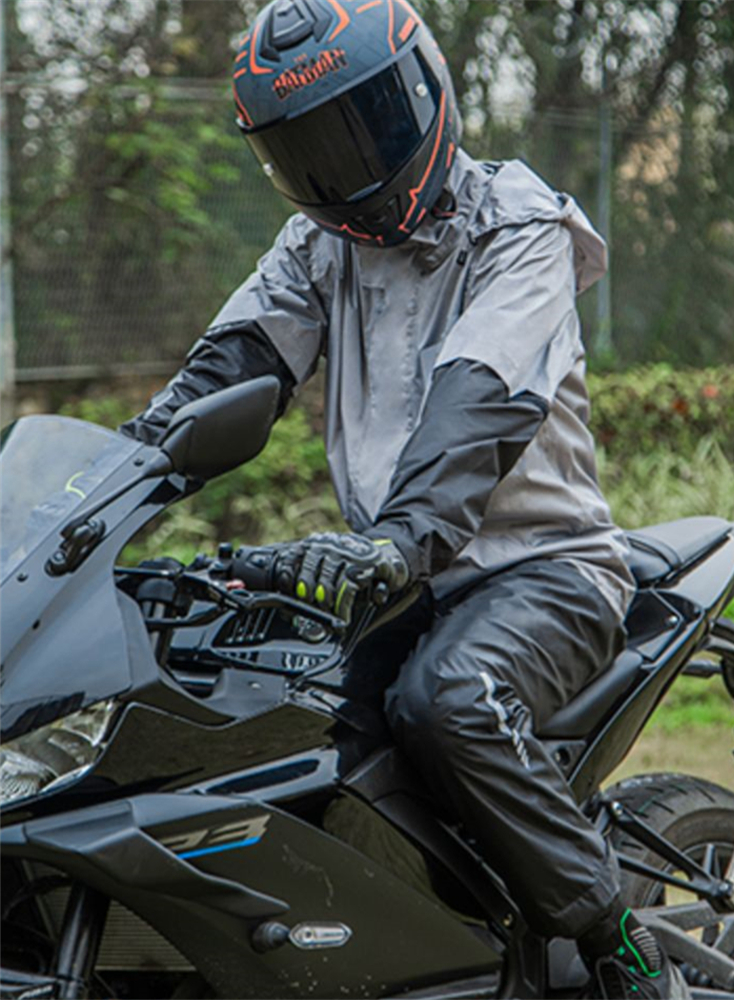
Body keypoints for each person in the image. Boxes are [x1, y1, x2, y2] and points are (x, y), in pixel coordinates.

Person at [121, 2, 689, 996]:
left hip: (542, 569)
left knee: (448, 701)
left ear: (428, 92)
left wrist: (397, 538)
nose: (343, 173)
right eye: (311, 151)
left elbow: (478, 401)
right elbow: (227, 372)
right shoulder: (314, 248)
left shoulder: (519, 224)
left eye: (365, 129)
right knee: (257, 708)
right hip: (401, 569)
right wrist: (107, 496)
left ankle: (617, 945)